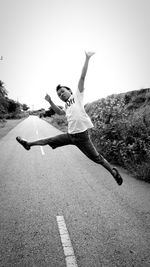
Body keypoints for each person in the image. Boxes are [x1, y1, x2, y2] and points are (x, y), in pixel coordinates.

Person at [16, 51, 123, 185]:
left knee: (97, 158)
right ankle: (28, 144)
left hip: (83, 137)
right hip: (70, 135)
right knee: (49, 139)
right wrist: (50, 102)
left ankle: (114, 173)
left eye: (62, 92)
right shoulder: (66, 105)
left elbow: (82, 77)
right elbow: (60, 112)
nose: (61, 94)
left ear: (70, 91)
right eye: (59, 95)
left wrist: (87, 58)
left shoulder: (77, 96)